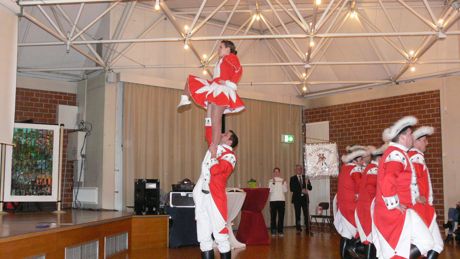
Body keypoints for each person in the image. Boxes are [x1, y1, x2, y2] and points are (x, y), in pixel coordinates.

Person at [372, 116, 435, 259]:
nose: (412, 137)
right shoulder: (396, 153)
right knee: (422, 243)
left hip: (404, 209)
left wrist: (414, 197)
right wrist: (394, 204)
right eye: (410, 134)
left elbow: (403, 182)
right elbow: (388, 180)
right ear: (402, 136)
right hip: (395, 212)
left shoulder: (399, 153)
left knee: (424, 242)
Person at [177, 40, 244, 160]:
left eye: (221, 47)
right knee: (191, 80)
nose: (218, 49)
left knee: (216, 119)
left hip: (222, 89)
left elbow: (239, 70)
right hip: (216, 86)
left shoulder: (231, 57)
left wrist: (229, 83)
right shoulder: (223, 59)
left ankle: (214, 146)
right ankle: (184, 99)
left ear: (228, 49)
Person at [192, 108, 239, 259]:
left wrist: (213, 154)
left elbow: (217, 171)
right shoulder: (216, 146)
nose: (222, 135)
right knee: (203, 235)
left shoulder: (230, 156)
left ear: (230, 141)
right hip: (202, 195)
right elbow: (209, 130)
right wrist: (209, 110)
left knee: (220, 235)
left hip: (215, 198)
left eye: (226, 135)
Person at [409, 126, 443, 258]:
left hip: (420, 206)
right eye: (424, 140)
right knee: (430, 244)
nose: (427, 143)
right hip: (420, 207)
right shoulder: (416, 156)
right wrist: (416, 196)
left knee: (434, 244)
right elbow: (411, 178)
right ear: (416, 142)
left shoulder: (414, 156)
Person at [334, 147, 367, 258]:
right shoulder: (355, 169)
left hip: (343, 205)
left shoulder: (344, 168)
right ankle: (353, 249)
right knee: (359, 231)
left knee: (346, 234)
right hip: (352, 206)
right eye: (361, 159)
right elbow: (360, 185)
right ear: (355, 159)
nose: (363, 161)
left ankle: (345, 256)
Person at [355, 144, 387, 259]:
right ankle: (355, 248)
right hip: (368, 207)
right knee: (371, 237)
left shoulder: (370, 168)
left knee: (371, 237)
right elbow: (371, 189)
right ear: (379, 158)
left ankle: (356, 248)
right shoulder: (374, 169)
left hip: (366, 206)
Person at [290, 164, 313, 234]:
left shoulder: (305, 177)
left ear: (302, 170)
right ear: (295, 170)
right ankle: (298, 228)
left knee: (306, 214)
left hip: (304, 199)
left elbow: (310, 188)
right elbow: (292, 188)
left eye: (300, 169)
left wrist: (307, 183)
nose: (299, 170)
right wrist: (301, 190)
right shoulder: (292, 178)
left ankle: (307, 228)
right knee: (298, 214)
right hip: (297, 199)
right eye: (297, 169)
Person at [268, 167, 287, 236]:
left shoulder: (283, 180)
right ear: (273, 173)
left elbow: (285, 190)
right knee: (273, 217)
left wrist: (282, 183)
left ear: (279, 173)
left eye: (277, 172)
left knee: (281, 217)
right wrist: (273, 183)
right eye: (275, 172)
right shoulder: (270, 180)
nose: (276, 173)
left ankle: (280, 231)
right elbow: (270, 190)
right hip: (273, 201)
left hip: (281, 200)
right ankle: (273, 231)